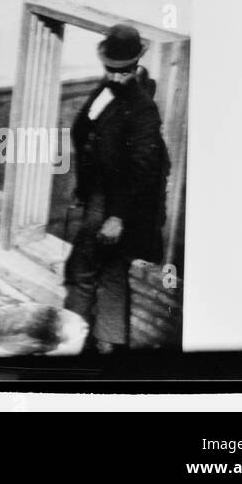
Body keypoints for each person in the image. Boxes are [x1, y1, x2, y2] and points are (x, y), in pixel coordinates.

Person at [64, 23, 170, 354]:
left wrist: (118, 217)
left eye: (123, 71)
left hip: (117, 204)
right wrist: (84, 183)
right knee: (110, 272)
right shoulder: (106, 90)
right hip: (98, 194)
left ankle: (70, 341)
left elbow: (143, 170)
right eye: (111, 70)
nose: (116, 77)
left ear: (135, 65)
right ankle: (108, 343)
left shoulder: (143, 110)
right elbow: (83, 130)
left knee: (83, 272)